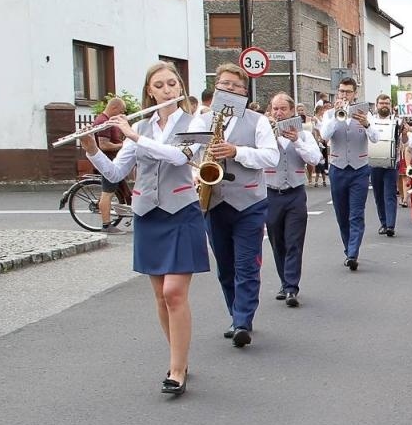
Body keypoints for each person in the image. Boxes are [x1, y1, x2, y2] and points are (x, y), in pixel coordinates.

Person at [79, 60, 207, 395]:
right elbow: (116, 173)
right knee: (160, 297)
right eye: (159, 85)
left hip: (181, 212)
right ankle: (177, 355)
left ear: (180, 87)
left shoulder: (195, 122)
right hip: (148, 213)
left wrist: (135, 136)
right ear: (150, 91)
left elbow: (180, 158)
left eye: (172, 84)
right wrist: (93, 150)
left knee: (173, 292)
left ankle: (177, 369)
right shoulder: (144, 126)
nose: (167, 90)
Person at [199, 64, 278, 347]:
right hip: (215, 199)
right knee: (225, 265)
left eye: (236, 86)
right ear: (216, 86)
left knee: (246, 264)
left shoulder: (257, 121)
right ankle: (235, 314)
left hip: (249, 202)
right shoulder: (201, 120)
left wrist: (237, 152)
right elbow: (185, 153)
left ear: (245, 92)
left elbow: (271, 158)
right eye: (225, 84)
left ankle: (243, 320)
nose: (230, 90)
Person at [263, 92, 321, 309]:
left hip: (295, 193)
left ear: (292, 112)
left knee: (294, 241)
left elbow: (315, 159)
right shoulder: (263, 134)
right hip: (270, 192)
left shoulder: (304, 135)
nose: (278, 113)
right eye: (275, 109)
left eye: (283, 109)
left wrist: (296, 141)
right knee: (277, 241)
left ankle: (291, 287)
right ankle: (284, 281)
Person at [320, 77, 379, 271]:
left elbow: (376, 138)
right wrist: (339, 116)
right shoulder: (330, 114)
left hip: (359, 169)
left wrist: (367, 124)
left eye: (348, 92)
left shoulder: (364, 113)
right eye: (342, 91)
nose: (344, 95)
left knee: (356, 214)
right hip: (337, 168)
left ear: (355, 93)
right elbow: (324, 136)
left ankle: (353, 252)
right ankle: (348, 248)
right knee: (341, 213)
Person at [91, 95, 128, 231]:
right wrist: (124, 145)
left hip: (114, 162)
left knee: (117, 191)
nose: (122, 114)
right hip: (108, 163)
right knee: (108, 193)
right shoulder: (103, 122)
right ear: (114, 107)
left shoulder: (108, 121)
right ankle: (106, 225)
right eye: (122, 110)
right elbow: (104, 145)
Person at [368, 94, 399, 237]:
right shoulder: (370, 122)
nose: (384, 105)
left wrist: (403, 133)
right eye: (381, 103)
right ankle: (384, 223)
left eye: (387, 103)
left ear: (391, 105)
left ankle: (391, 225)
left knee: (390, 194)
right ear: (377, 105)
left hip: (391, 163)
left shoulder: (396, 121)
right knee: (379, 195)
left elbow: (403, 141)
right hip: (374, 163)